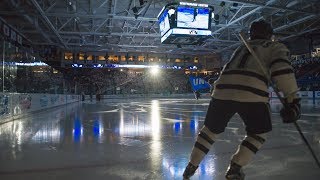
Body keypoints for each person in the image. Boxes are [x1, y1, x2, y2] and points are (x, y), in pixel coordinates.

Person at [183, 20, 301, 180]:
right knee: (259, 132)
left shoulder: (241, 48)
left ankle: (192, 164)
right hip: (252, 91)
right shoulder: (275, 46)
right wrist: (292, 99)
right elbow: (282, 70)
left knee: (209, 131)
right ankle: (235, 167)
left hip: (222, 91)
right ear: (269, 34)